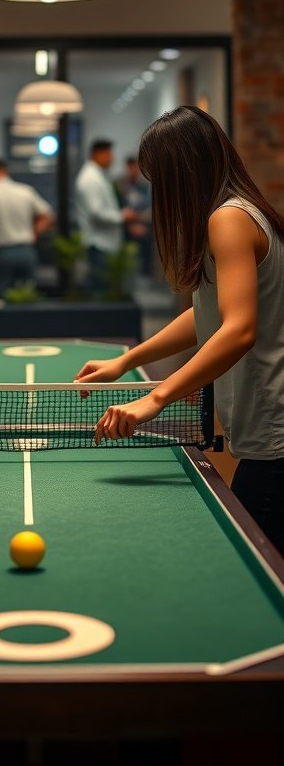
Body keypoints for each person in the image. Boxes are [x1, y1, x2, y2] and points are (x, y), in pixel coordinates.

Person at [75, 106, 284, 556]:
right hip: (268, 434)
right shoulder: (236, 211)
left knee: (256, 568)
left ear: (182, 173)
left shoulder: (226, 219)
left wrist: (154, 397)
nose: (158, 194)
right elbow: (206, 312)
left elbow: (239, 330)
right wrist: (128, 360)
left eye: (159, 180)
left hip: (276, 437)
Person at [0, 158, 54, 298]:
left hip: (0, 253)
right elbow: (47, 216)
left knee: (1, 297)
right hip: (26, 251)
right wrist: (34, 233)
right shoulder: (25, 191)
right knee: (27, 296)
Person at [75, 139, 136, 300]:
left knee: (103, 290)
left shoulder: (97, 176)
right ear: (97, 154)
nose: (112, 158)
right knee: (99, 293)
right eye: (109, 154)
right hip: (98, 244)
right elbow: (96, 213)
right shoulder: (90, 179)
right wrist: (122, 216)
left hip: (104, 244)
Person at [115, 155, 152, 278]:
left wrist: (138, 220)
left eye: (135, 167)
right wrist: (131, 224)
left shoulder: (146, 186)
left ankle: (146, 276)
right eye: (130, 167)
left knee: (146, 250)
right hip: (126, 228)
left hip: (144, 227)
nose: (133, 170)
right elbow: (119, 209)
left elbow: (150, 211)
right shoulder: (121, 185)